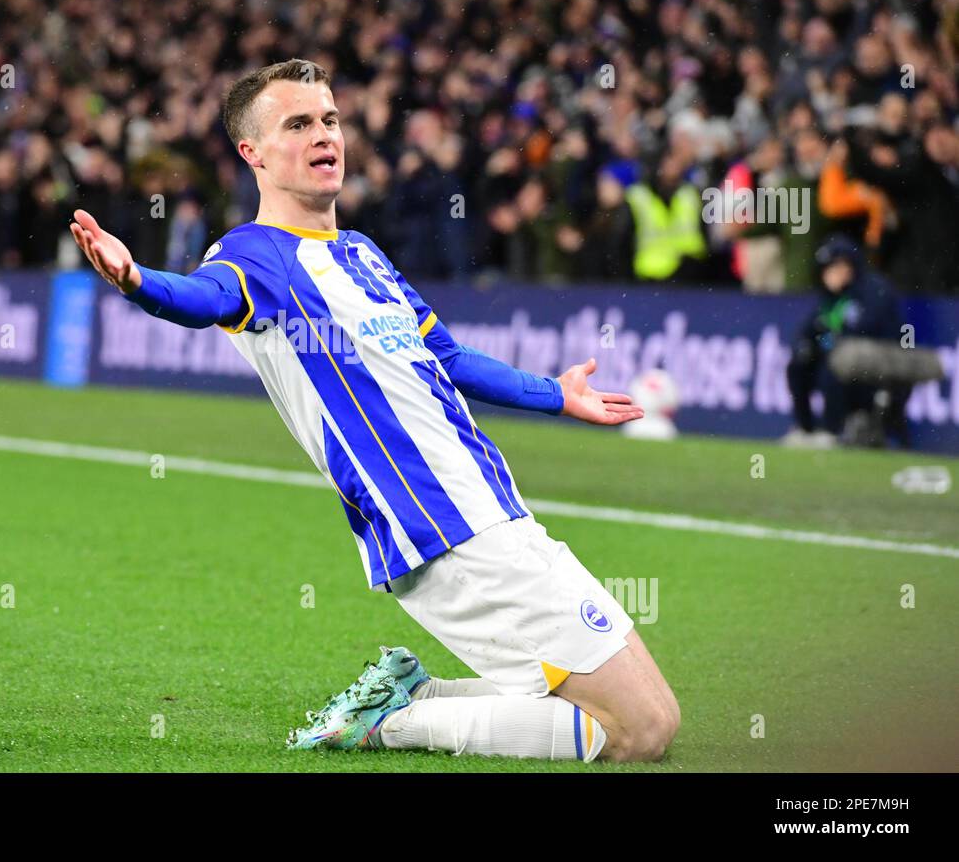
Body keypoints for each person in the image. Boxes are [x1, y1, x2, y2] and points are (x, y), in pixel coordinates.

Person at [68, 59, 680, 763]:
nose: (324, 134)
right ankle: (393, 723)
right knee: (638, 735)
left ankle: (407, 697)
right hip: (440, 530)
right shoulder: (254, 257)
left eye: (329, 119)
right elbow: (201, 298)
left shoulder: (361, 252)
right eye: (297, 124)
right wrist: (140, 281)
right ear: (253, 153)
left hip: (493, 511)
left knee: (654, 717)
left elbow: (447, 358)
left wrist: (555, 394)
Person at [783, 235, 903, 448]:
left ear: (848, 265)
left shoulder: (873, 289)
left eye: (835, 266)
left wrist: (827, 342)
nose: (830, 274)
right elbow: (811, 330)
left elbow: (868, 329)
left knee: (836, 362)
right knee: (799, 363)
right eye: (827, 269)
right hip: (839, 355)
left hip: (875, 364)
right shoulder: (832, 297)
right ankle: (805, 428)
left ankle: (832, 431)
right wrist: (809, 345)